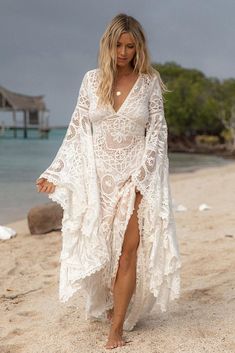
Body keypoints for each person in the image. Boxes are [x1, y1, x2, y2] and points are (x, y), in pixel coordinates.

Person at [36, 13, 181, 350]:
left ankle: (115, 329)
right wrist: (54, 172)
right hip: (97, 182)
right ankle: (114, 305)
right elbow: (75, 131)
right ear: (108, 44)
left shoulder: (149, 83)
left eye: (131, 46)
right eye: (119, 44)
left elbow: (158, 134)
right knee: (104, 250)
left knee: (127, 253)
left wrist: (144, 181)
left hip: (135, 178)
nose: (124, 52)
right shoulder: (91, 81)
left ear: (139, 47)